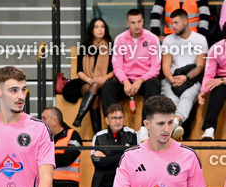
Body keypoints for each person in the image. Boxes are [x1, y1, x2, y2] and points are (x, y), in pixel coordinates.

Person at [101, 8, 161, 140]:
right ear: (128, 23)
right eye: (133, 22)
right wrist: (125, 81)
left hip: (144, 80)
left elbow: (156, 67)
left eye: (139, 22)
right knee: (107, 88)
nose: (137, 25)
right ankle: (112, 128)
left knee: (154, 84)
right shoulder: (120, 39)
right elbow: (116, 65)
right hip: (125, 80)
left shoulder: (152, 39)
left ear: (143, 22)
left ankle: (145, 128)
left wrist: (140, 80)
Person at [160, 9, 208, 139]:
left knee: (187, 97)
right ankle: (176, 126)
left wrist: (186, 77)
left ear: (186, 21)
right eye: (171, 23)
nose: (173, 26)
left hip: (191, 78)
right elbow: (166, 65)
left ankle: (174, 123)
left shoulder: (200, 39)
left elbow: (200, 65)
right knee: (172, 101)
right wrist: (171, 79)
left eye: (176, 22)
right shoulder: (169, 40)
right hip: (171, 78)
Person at [71, 17, 112, 131]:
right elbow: (79, 71)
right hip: (86, 81)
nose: (100, 30)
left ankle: (79, 117)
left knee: (95, 88)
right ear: (92, 30)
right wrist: (89, 80)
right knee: (95, 97)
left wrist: (103, 78)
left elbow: (113, 69)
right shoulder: (84, 47)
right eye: (96, 27)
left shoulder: (111, 46)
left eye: (102, 27)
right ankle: (97, 133)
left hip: (105, 81)